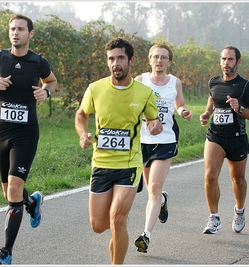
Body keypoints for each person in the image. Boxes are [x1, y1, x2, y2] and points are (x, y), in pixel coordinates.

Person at [74, 37, 163, 264]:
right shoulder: (95, 89)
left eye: (120, 58)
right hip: (101, 163)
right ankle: (118, 228)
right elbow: (81, 115)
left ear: (131, 61)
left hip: (129, 164)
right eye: (111, 59)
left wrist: (154, 126)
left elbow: (153, 120)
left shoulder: (144, 93)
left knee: (117, 219)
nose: (116, 63)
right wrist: (83, 134)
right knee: (98, 225)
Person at [0, 14, 57, 265]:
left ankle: (6, 252)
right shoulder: (0, 58)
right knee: (9, 192)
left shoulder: (38, 62)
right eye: (12, 29)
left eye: (21, 29)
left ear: (30, 34)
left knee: (14, 188)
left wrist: (45, 91)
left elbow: (52, 81)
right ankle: (32, 202)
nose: (15, 33)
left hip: (26, 133)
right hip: (2, 131)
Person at [133, 44, 193, 253]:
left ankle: (146, 236)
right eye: (155, 57)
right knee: (151, 191)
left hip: (166, 139)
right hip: (142, 140)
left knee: (155, 187)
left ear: (169, 61)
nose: (159, 61)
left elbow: (180, 103)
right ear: (149, 60)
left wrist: (184, 111)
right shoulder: (140, 81)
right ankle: (163, 201)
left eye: (163, 57)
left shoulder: (175, 82)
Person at [199, 46, 249, 234]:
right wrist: (207, 113)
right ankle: (213, 218)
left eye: (230, 59)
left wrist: (239, 108)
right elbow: (212, 99)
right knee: (210, 176)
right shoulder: (213, 82)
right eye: (223, 59)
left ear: (238, 62)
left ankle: (239, 212)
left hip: (237, 138)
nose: (226, 63)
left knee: (238, 179)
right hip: (215, 136)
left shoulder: (245, 85)